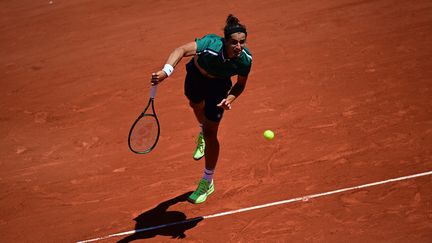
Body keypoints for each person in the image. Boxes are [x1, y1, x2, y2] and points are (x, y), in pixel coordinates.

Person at [151, 14, 252, 204]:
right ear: (225, 41)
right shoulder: (210, 44)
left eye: (242, 42)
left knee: (210, 133)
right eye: (234, 43)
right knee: (194, 104)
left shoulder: (244, 60)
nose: (238, 47)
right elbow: (181, 50)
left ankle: (207, 181)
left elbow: (239, 85)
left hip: (219, 86)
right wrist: (166, 71)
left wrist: (229, 99)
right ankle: (201, 132)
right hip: (196, 76)